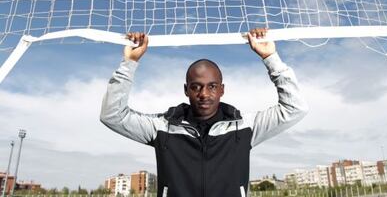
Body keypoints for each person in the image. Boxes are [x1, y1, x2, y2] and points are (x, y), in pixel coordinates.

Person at [100, 28, 308, 197]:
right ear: (186, 90)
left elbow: (295, 108)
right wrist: (130, 63)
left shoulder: (244, 126)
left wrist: (270, 56)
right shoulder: (163, 127)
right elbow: (112, 115)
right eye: (196, 86)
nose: (204, 94)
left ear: (222, 90)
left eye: (212, 86)